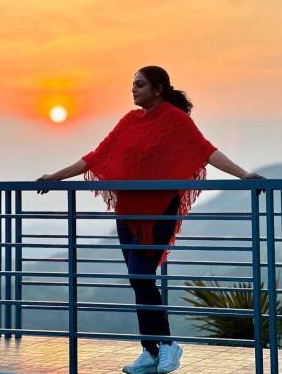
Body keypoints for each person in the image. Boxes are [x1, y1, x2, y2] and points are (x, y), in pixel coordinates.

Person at [37, 66, 264, 374]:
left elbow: (206, 151)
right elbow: (96, 156)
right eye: (132, 84)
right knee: (138, 279)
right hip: (128, 214)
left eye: (140, 85)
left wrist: (245, 175)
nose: (133, 89)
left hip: (158, 212)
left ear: (158, 89)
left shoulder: (175, 120)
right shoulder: (130, 121)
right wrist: (56, 177)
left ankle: (168, 345)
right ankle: (151, 350)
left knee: (142, 277)